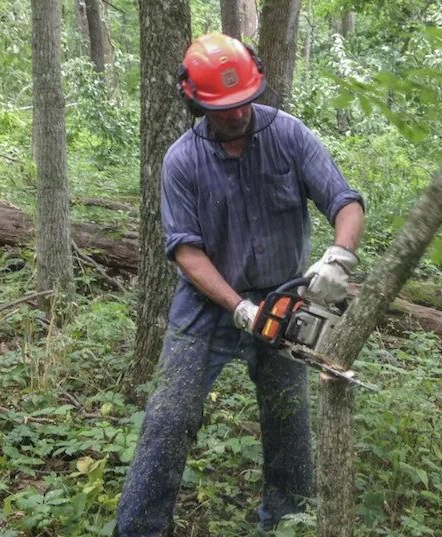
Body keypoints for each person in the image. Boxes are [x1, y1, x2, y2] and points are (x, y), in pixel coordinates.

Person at [115, 33, 365, 536]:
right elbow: (186, 251)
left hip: (284, 297)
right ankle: (140, 528)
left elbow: (345, 201)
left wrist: (340, 256)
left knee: (289, 421)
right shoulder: (182, 160)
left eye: (243, 102)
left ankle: (286, 524)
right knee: (170, 415)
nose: (237, 115)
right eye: (223, 108)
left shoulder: (289, 136)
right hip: (207, 306)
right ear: (195, 102)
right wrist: (239, 308)